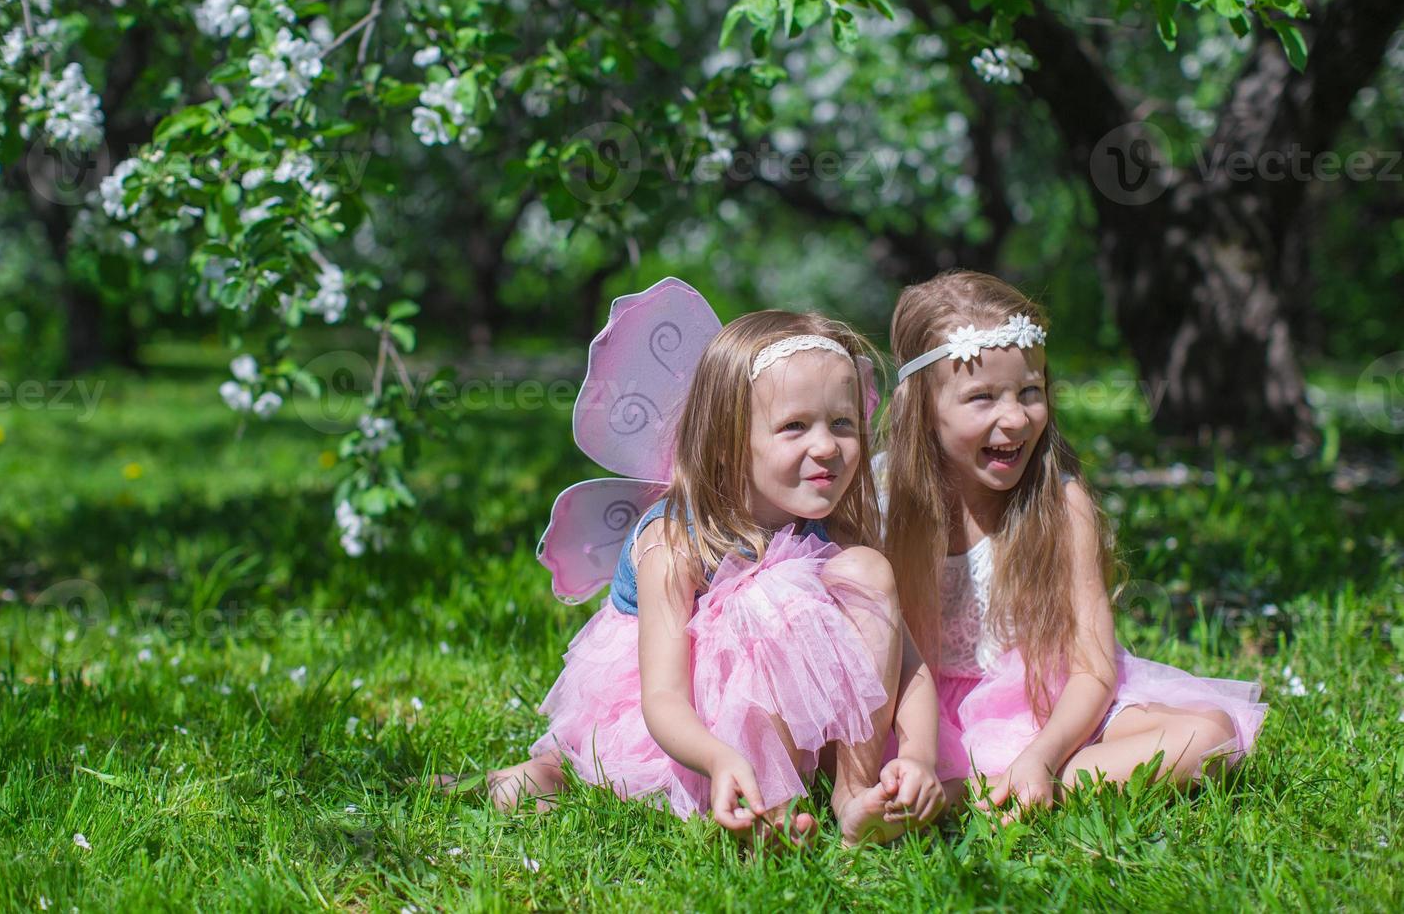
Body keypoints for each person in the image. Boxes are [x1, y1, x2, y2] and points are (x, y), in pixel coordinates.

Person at [444, 279, 937, 845]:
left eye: (842, 424)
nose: (826, 447)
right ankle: (734, 801)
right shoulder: (674, 542)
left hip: (781, 712)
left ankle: (853, 793)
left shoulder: (831, 525)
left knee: (866, 572)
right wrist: (717, 758)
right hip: (684, 728)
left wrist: (920, 755)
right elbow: (664, 699)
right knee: (766, 604)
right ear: (728, 442)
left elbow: (909, 666)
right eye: (795, 427)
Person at [878, 270, 1266, 821]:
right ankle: (979, 786)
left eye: (1029, 392)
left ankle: (1016, 785)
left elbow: (1093, 669)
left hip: (1058, 707)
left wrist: (1043, 753)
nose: (1013, 418)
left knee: (1210, 736)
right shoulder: (885, 504)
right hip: (926, 722)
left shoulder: (1060, 505)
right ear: (919, 406)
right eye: (982, 397)